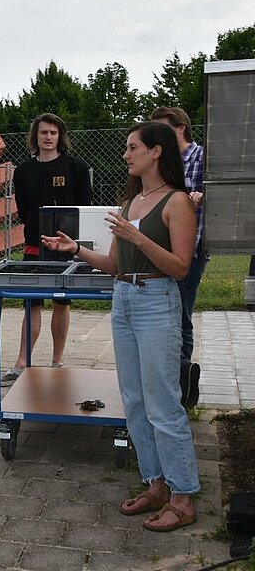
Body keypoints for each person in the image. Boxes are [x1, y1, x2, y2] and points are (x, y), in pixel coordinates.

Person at [41, 121, 200, 532]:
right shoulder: (131, 203)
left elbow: (181, 268)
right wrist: (75, 248)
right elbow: (113, 265)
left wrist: (140, 238)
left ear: (156, 152)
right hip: (124, 298)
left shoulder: (176, 201)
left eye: (133, 148)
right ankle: (156, 484)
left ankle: (183, 498)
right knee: (132, 399)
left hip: (157, 300)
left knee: (163, 403)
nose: (126, 154)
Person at [0, 113, 92, 386]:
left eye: (53, 132)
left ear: (61, 136)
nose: (48, 137)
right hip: (34, 248)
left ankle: (57, 361)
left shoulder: (76, 167)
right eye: (43, 133)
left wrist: (72, 243)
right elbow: (24, 209)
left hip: (66, 249)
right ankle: (21, 363)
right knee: (32, 303)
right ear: (35, 136)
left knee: (61, 303)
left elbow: (83, 207)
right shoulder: (24, 171)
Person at [151, 106, 207, 408]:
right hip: (161, 249)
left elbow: (219, 193)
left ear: (181, 128)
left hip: (192, 249)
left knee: (182, 314)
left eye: (163, 130)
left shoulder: (201, 157)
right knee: (165, 315)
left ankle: (182, 382)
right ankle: (171, 377)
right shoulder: (164, 162)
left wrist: (201, 197)